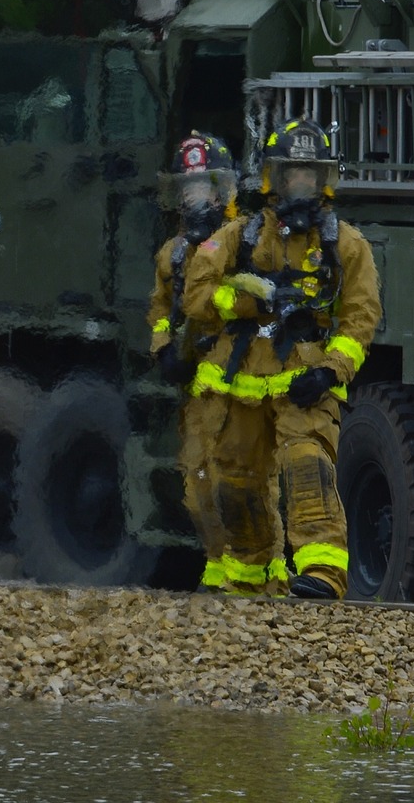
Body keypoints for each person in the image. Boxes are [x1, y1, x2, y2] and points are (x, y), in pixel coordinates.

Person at [180, 119, 382, 600]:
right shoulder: (238, 237)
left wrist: (329, 371)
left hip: (306, 382)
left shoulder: (345, 245)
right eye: (293, 175)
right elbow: (195, 293)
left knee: (308, 466)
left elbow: (361, 318)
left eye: (311, 176)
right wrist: (242, 299)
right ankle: (252, 581)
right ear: (274, 178)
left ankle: (322, 576)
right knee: (237, 484)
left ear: (324, 179)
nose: (302, 185)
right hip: (243, 384)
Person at [148, 131, 285, 595]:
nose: (196, 199)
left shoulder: (244, 240)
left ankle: (267, 579)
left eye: (205, 187)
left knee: (247, 484)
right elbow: (161, 307)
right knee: (198, 484)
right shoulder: (173, 252)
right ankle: (218, 575)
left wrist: (223, 304)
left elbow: (258, 300)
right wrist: (164, 349)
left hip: (240, 379)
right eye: (188, 189)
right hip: (198, 390)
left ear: (225, 191)